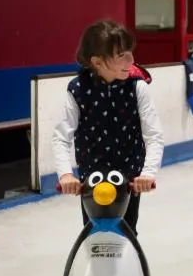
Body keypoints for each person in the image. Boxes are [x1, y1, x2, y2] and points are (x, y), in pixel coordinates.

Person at [51, 19, 164, 235]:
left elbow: (154, 135)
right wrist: (66, 175)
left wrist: (147, 174)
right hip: (92, 182)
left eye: (130, 52)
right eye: (121, 55)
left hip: (129, 180)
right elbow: (61, 137)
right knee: (95, 235)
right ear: (98, 62)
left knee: (127, 233)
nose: (131, 60)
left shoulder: (137, 87)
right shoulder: (78, 90)